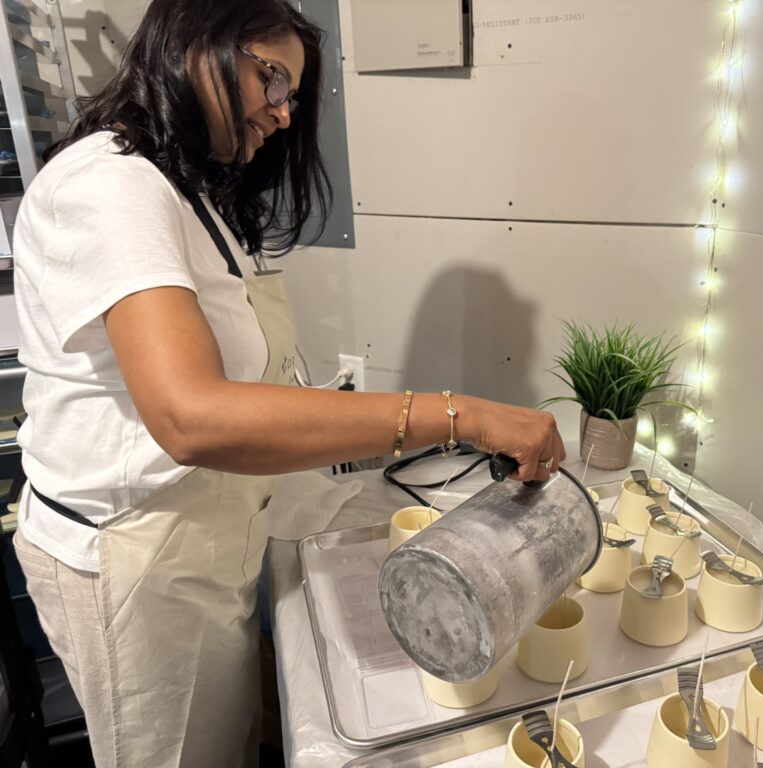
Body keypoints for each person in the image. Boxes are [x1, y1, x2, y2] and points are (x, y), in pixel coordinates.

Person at [10, 1, 565, 765]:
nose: (281, 112)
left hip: (208, 537)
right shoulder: (111, 187)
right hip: (138, 554)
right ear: (194, 41)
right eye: (271, 79)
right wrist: (462, 415)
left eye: (293, 94)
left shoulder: (188, 196)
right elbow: (192, 416)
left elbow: (249, 386)